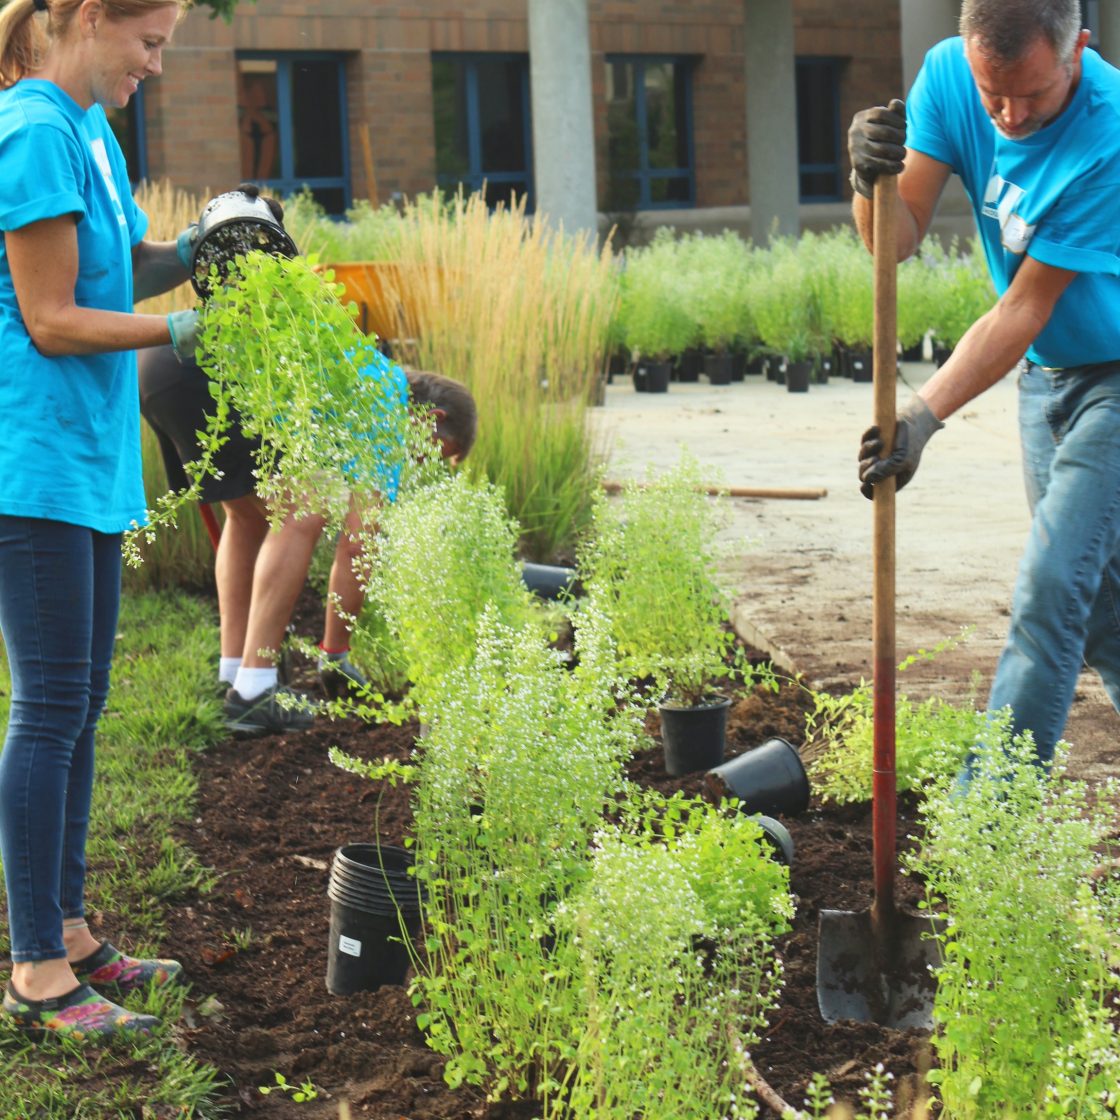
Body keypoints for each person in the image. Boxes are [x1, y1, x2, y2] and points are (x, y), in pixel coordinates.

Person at [0, 0, 210, 1039]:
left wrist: (213, 247)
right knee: (47, 708)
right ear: (86, 19)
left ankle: (71, 928)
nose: (155, 65)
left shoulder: (91, 127)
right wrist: (184, 325)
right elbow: (49, 318)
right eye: (148, 42)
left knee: (80, 703)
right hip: (31, 458)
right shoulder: (34, 129)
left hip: (87, 454)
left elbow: (119, 262)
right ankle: (36, 966)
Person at [849, 0, 1120, 775]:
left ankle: (986, 820)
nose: (1009, 113)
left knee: (1053, 584)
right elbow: (892, 243)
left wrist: (924, 416)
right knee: (1100, 612)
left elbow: (1026, 306)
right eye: (992, 91)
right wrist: (869, 178)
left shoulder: (1111, 131)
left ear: (1078, 53)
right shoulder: (947, 75)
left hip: (1113, 375)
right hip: (1046, 381)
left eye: (1032, 94)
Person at [138, 342, 478, 737]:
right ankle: (254, 692)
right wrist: (334, 653)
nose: (419, 462)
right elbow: (357, 544)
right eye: (432, 451)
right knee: (309, 502)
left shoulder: (364, 369)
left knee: (247, 517)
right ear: (430, 417)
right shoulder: (386, 400)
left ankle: (235, 676)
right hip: (207, 370)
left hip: (164, 362)